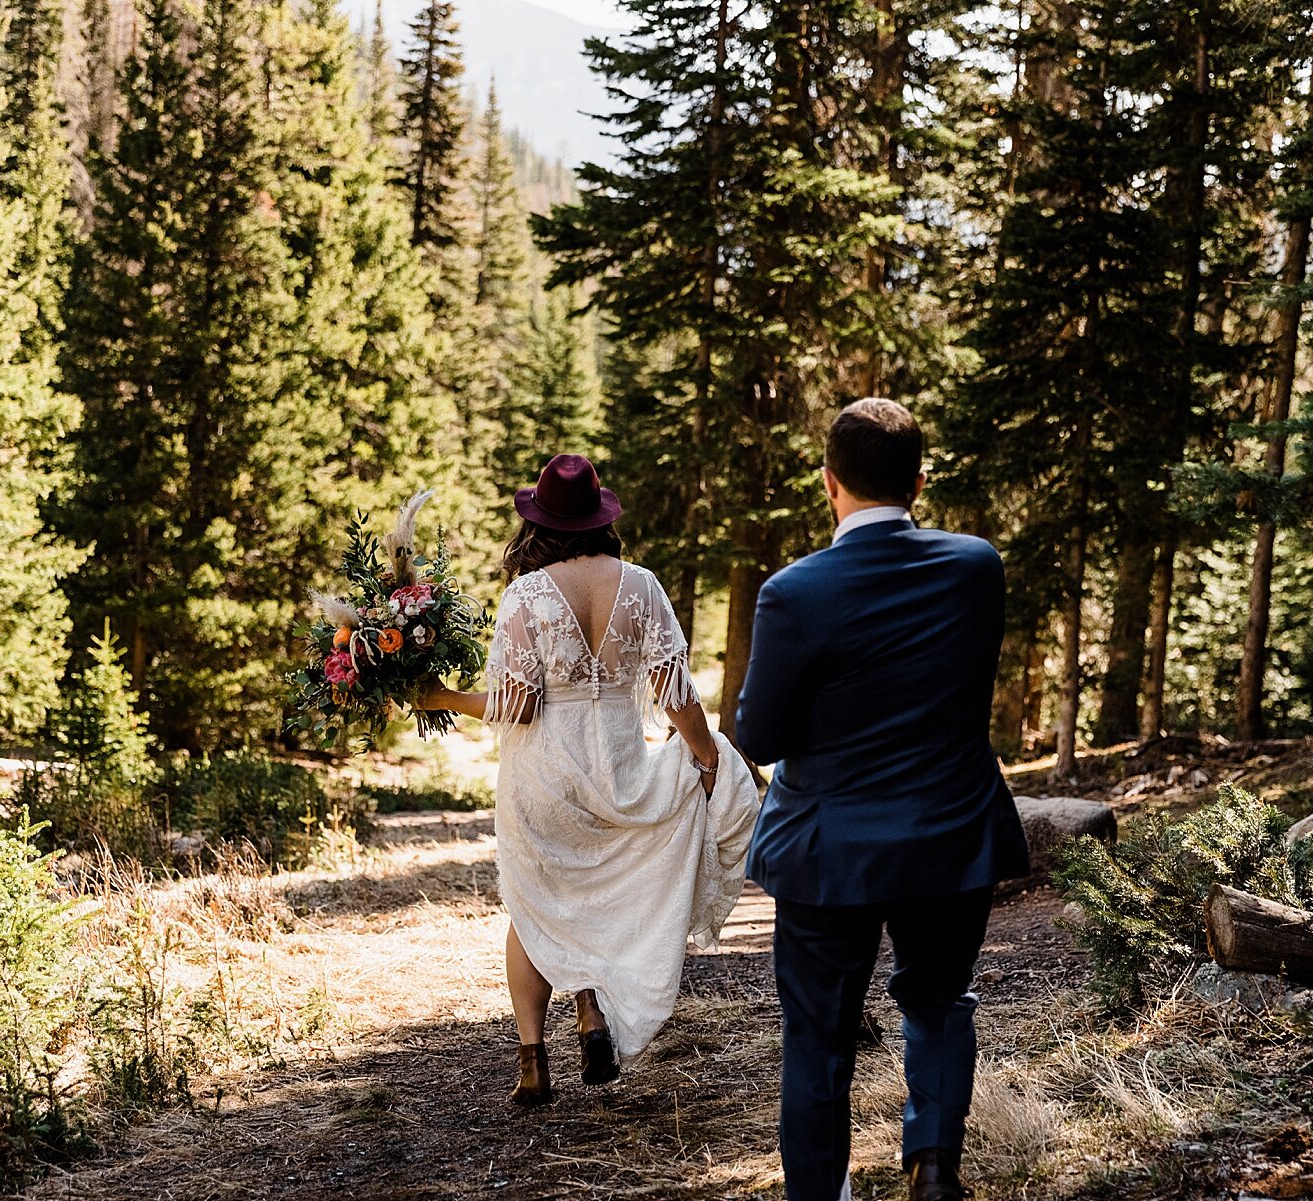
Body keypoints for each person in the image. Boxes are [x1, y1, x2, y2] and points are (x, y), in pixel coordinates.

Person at [734, 399, 1030, 1201]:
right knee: (940, 1001)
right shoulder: (977, 566)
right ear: (920, 483)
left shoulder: (793, 592)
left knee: (818, 1034)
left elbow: (759, 736)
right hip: (950, 833)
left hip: (830, 850)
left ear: (828, 485)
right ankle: (932, 1166)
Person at [419, 453, 759, 1106]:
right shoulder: (642, 585)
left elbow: (514, 703)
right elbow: (676, 692)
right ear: (600, 517)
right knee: (601, 900)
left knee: (533, 906)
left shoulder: (525, 594)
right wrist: (705, 758)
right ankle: (592, 1013)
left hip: (544, 776)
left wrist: (445, 699)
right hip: (621, 772)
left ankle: (533, 1060)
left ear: (540, 522)